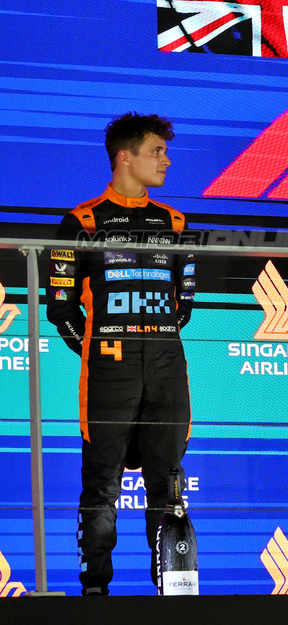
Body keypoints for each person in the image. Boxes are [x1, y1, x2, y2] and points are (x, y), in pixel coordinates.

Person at [48, 113, 196, 595]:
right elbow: (61, 309)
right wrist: (102, 350)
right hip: (107, 371)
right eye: (157, 151)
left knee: (169, 485)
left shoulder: (175, 223)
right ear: (124, 157)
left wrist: (150, 345)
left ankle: (173, 590)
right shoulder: (82, 222)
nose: (166, 161)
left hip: (167, 369)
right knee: (102, 485)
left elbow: (183, 306)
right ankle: (95, 592)